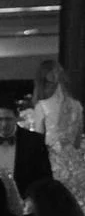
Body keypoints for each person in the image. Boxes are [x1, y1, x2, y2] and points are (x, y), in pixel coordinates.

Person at [27, 54, 85, 200]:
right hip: (76, 165)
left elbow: (38, 141)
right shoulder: (77, 106)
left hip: (52, 164)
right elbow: (78, 142)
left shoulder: (42, 106)